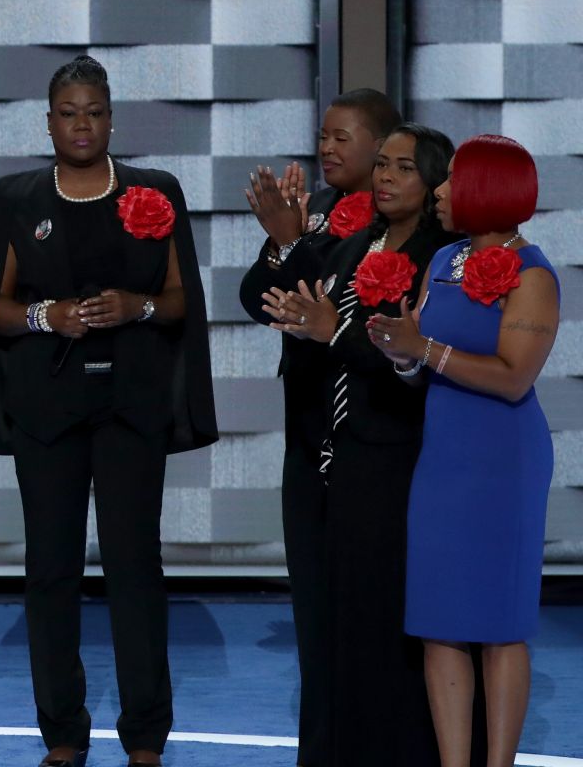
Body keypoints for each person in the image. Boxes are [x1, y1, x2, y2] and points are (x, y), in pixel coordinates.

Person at [0, 55, 217, 767]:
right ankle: (64, 735)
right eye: (69, 113)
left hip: (131, 408)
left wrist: (137, 307)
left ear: (111, 117)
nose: (82, 124)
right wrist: (51, 316)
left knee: (137, 568)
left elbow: (180, 301)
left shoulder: (154, 192)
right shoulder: (15, 197)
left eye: (95, 112)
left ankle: (145, 739)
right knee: (51, 571)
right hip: (48, 410)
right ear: (49, 121)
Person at [259, 125, 455, 767]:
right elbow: (307, 308)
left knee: (387, 621)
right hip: (335, 458)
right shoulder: (354, 245)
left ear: (432, 185)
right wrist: (289, 249)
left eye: (404, 167)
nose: (386, 177)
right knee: (336, 623)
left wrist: (331, 331)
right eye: (384, 165)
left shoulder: (442, 258)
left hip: (399, 455)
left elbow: (412, 356)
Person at [370, 135, 559, 767]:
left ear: (488, 188)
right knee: (439, 620)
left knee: (500, 625)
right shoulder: (444, 259)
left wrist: (425, 351)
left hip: (503, 463)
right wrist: (401, 353)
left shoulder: (534, 274)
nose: (441, 190)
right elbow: (422, 359)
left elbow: (513, 376)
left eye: (452, 179)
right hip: (443, 458)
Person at [236, 88, 400, 766]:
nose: (327, 149)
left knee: (369, 615)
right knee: (314, 616)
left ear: (383, 149)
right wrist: (287, 242)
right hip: (309, 441)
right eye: (323, 137)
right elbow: (260, 297)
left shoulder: (403, 233)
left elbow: (342, 315)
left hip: (375, 442)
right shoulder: (319, 216)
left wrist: (293, 242)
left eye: (343, 138)